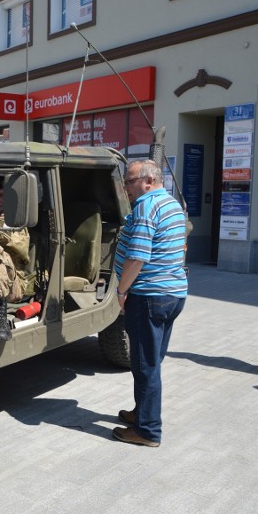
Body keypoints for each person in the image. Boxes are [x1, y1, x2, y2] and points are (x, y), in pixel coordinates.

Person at [112, 159, 187, 447]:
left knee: (145, 365)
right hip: (172, 294)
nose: (125, 187)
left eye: (129, 181)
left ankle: (147, 431)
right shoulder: (170, 204)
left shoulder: (146, 206)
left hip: (149, 296)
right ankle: (141, 413)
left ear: (147, 182)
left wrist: (121, 290)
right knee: (151, 360)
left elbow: (138, 256)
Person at [0, 176, 33, 342]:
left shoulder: (15, 220)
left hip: (13, 286)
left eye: (1, 195)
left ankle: (0, 318)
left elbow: (3, 236)